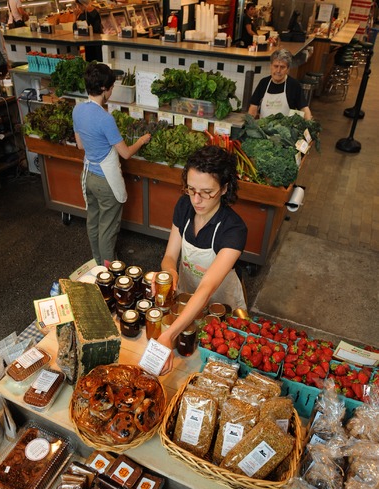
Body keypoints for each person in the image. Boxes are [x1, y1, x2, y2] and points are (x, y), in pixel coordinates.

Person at [153, 145, 248, 372]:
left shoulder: (233, 229)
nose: (197, 200)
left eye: (207, 192)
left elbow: (206, 290)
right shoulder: (185, 206)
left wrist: (169, 334)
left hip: (220, 305)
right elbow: (169, 256)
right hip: (187, 300)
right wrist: (171, 272)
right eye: (191, 189)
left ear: (225, 188)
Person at [72, 63, 151, 265]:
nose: (112, 90)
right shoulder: (105, 119)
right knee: (108, 229)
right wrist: (141, 141)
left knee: (94, 222)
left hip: (88, 176)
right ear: (104, 89)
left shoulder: (78, 110)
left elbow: (80, 145)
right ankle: (109, 272)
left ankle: (98, 263)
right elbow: (125, 154)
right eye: (111, 87)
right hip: (106, 181)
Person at [248, 48, 312, 120]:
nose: (278, 71)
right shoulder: (264, 83)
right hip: (263, 130)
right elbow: (253, 107)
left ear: (288, 69)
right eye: (275, 66)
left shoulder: (294, 85)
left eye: (282, 67)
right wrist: (249, 123)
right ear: (270, 66)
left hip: (286, 130)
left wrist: (308, 124)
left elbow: (304, 108)